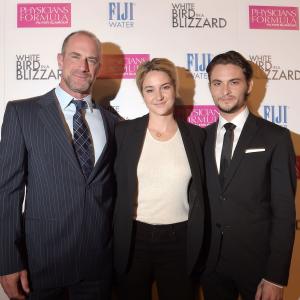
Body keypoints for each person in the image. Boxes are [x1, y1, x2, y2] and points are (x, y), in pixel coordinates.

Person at [0, 30, 118, 300]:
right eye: (76, 56)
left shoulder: (114, 124)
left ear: (98, 68)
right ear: (60, 60)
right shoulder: (22, 113)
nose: (83, 66)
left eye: (91, 60)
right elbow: (7, 191)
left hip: (97, 266)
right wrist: (7, 260)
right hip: (41, 266)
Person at [202, 50, 296, 300]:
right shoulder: (201, 137)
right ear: (210, 87)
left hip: (258, 266)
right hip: (211, 266)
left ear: (249, 85)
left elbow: (285, 212)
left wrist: (275, 276)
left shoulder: (275, 137)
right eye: (217, 83)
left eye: (234, 82)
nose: (225, 91)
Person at [113, 58, 206, 300]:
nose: (159, 96)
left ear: (175, 89)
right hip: (134, 239)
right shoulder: (123, 133)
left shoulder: (196, 137)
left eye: (165, 87)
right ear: (142, 94)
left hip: (180, 241)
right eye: (149, 89)